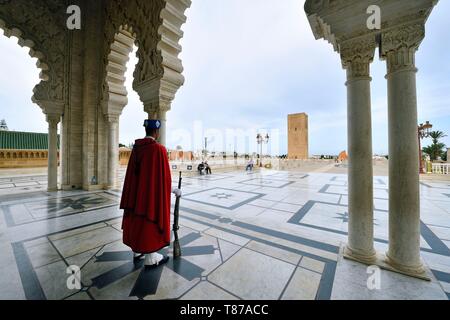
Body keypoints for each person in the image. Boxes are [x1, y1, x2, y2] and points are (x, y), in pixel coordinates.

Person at [120, 119, 182, 268]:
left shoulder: (136, 148)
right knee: (149, 222)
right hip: (149, 198)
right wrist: (174, 189)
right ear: (156, 132)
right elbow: (162, 180)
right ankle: (151, 257)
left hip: (135, 196)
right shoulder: (158, 149)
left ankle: (137, 251)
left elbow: (134, 176)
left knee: (136, 220)